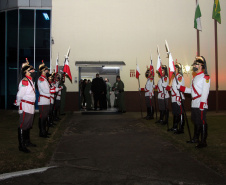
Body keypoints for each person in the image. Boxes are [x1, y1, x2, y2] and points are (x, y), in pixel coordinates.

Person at [178, 56, 210, 148]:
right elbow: (192, 91)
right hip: (195, 102)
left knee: (202, 121)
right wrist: (181, 88)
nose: (194, 66)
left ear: (201, 65)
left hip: (201, 103)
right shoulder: (195, 77)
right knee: (196, 121)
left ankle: (203, 142)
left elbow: (205, 92)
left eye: (196, 64)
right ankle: (196, 138)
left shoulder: (205, 77)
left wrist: (202, 103)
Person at [15, 61, 36, 153]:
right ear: (26, 71)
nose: (33, 71)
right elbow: (20, 95)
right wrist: (19, 104)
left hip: (30, 106)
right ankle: (21, 145)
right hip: (25, 105)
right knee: (23, 125)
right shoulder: (25, 81)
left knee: (28, 125)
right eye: (31, 70)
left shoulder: (30, 80)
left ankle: (27, 142)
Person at [38, 62, 58, 138]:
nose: (47, 71)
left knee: (45, 116)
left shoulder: (44, 79)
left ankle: (44, 131)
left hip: (47, 100)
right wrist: (53, 91)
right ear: (43, 71)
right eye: (46, 70)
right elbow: (45, 90)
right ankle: (42, 132)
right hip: (43, 100)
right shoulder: (41, 79)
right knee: (42, 117)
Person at [166, 63, 185, 133]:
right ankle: (175, 127)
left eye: (175, 68)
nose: (173, 70)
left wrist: (178, 98)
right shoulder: (174, 78)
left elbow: (180, 88)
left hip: (178, 98)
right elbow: (171, 88)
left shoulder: (179, 77)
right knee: (175, 113)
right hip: (174, 98)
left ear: (178, 69)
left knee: (180, 113)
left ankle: (181, 128)